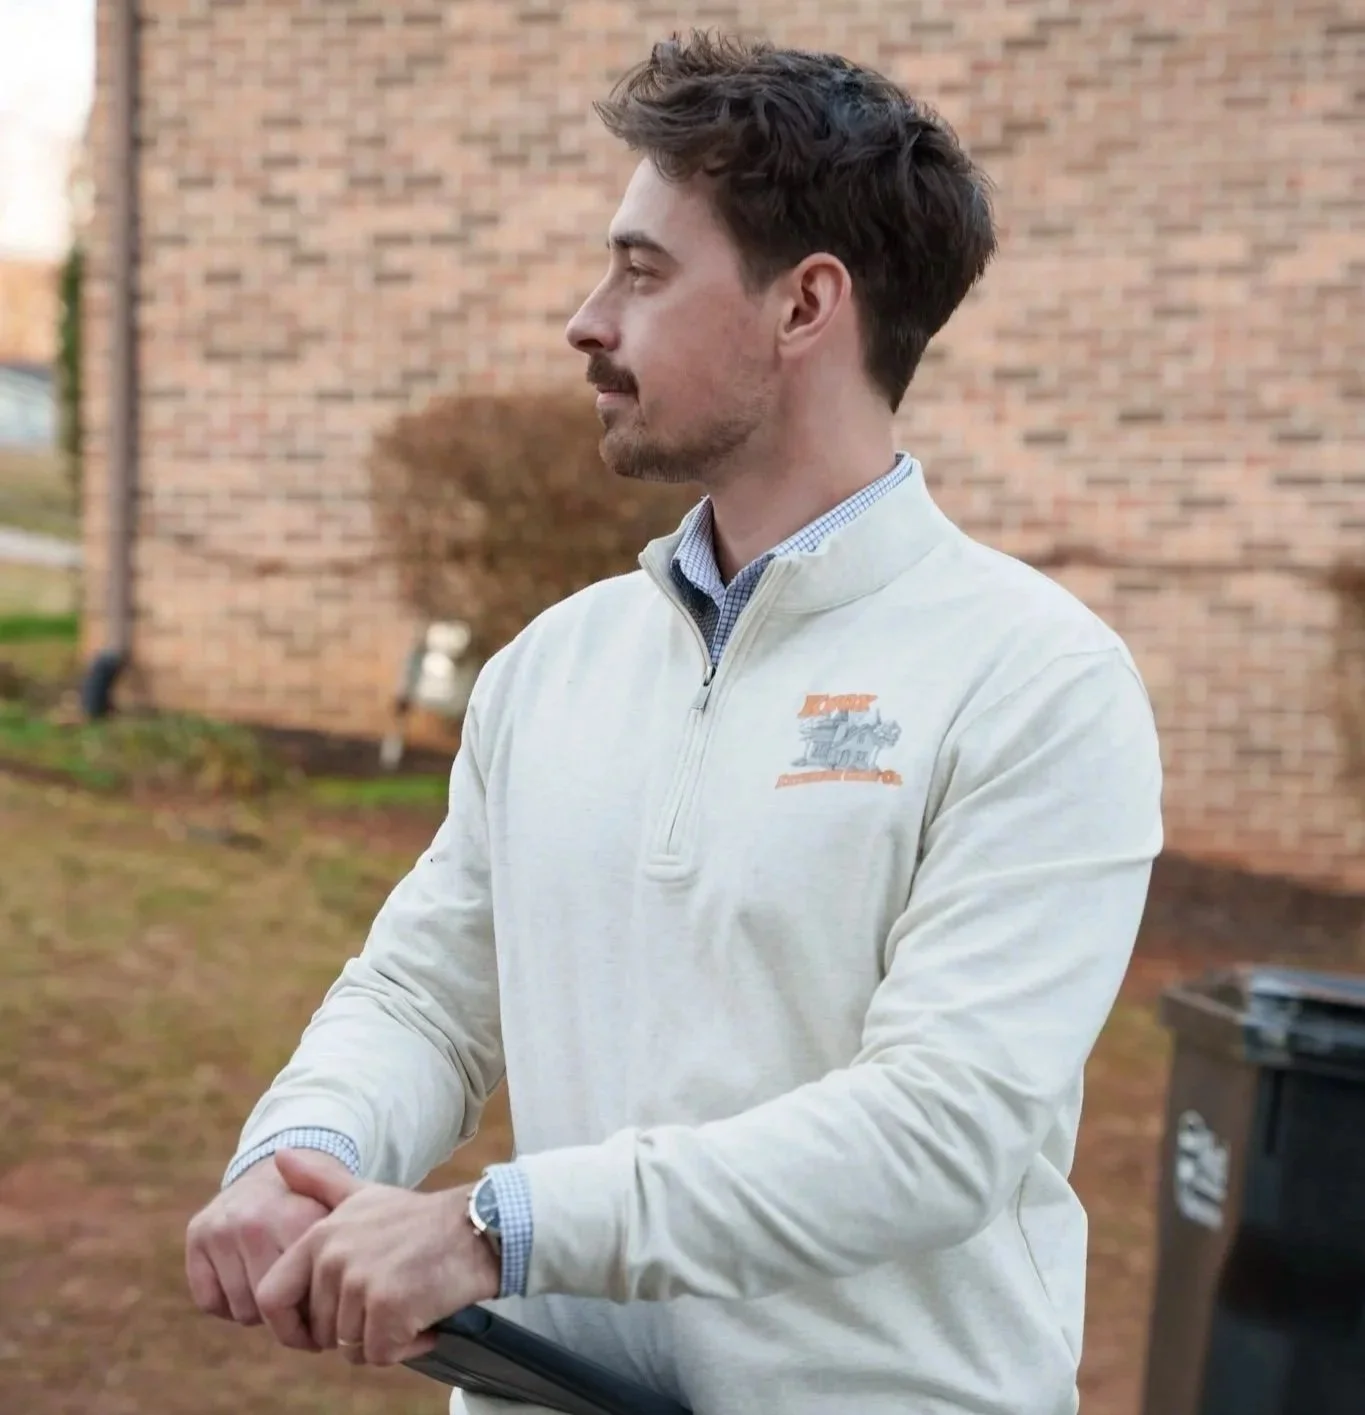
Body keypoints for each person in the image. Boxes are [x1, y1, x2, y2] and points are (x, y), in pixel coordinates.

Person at [185, 31, 1162, 1415]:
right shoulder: (554, 665)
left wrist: (497, 1228)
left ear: (805, 305)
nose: (588, 320)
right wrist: (299, 1154)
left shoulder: (1037, 681)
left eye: (643, 272)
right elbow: (425, 996)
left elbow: (941, 1127)